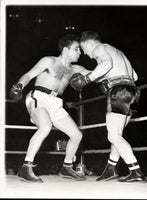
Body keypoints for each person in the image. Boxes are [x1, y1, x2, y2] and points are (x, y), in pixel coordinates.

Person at [10, 34, 90, 182]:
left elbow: (96, 74)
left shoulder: (75, 69)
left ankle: (66, 167)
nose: (80, 52)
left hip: (55, 102)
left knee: (76, 135)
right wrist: (19, 85)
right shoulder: (49, 61)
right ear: (66, 50)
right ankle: (26, 167)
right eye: (77, 49)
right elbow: (29, 75)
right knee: (45, 127)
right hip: (39, 97)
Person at [70, 31, 147, 183]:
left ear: (88, 43)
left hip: (120, 91)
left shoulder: (99, 48)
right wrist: (104, 79)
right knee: (117, 134)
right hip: (132, 91)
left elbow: (106, 64)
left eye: (83, 48)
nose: (85, 53)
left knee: (113, 135)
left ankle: (136, 171)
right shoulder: (116, 51)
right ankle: (110, 169)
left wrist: (87, 79)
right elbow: (135, 76)